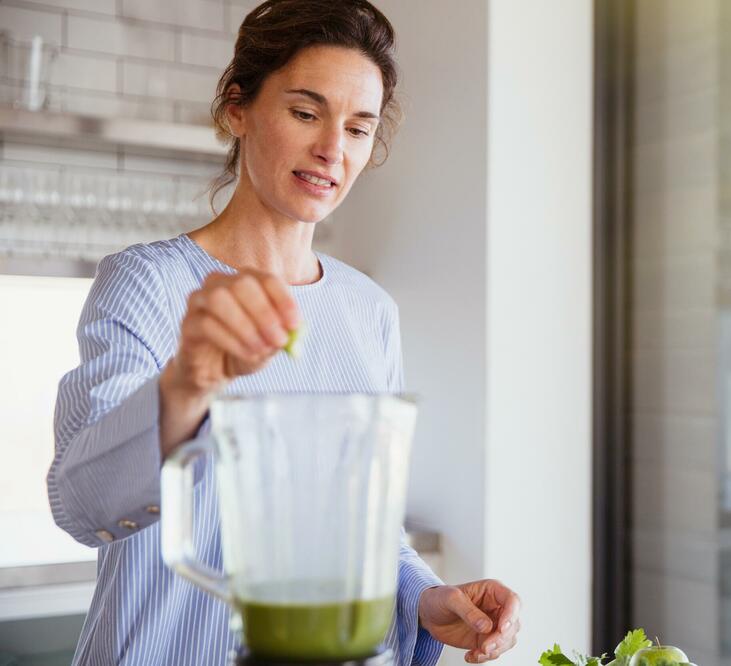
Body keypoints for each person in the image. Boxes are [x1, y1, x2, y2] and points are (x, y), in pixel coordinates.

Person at [47, 1, 520, 664]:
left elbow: (365, 534)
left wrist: (424, 598)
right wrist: (187, 384)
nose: (332, 149)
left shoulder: (369, 310)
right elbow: (80, 502)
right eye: (305, 113)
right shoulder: (148, 284)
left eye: (359, 128)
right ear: (237, 108)